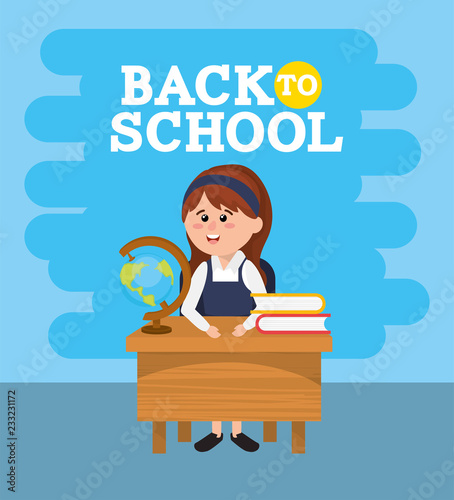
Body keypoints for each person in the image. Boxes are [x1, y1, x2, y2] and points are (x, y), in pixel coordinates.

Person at [181, 164, 273, 452]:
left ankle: (237, 431)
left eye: (223, 217)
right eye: (203, 217)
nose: (212, 228)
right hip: (210, 339)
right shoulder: (201, 271)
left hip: (242, 339)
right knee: (213, 384)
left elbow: (263, 307)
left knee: (238, 384)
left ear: (255, 224)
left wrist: (244, 326)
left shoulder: (248, 270)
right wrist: (206, 328)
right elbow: (188, 308)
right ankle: (216, 431)